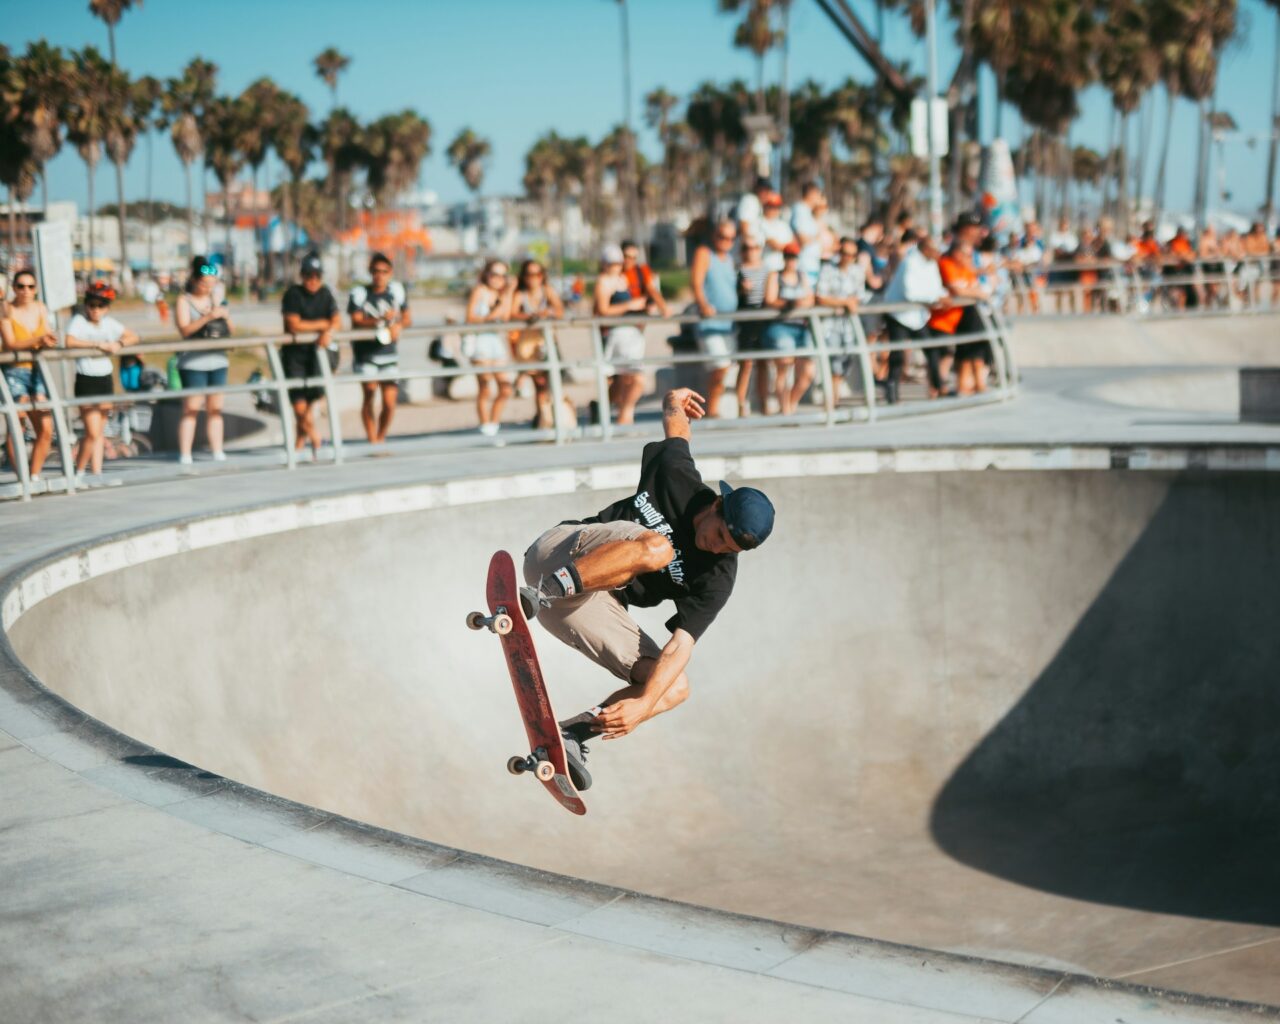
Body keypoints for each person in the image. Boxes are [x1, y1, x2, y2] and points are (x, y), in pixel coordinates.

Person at [519, 387, 775, 790]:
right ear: (715, 507)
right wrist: (674, 400)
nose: (718, 547)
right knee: (658, 548)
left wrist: (643, 705)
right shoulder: (680, 479)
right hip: (558, 555)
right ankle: (542, 592)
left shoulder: (719, 576)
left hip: (586, 605)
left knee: (672, 687)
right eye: (720, 535)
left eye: (731, 547)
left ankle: (568, 736)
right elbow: (677, 429)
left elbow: (681, 645)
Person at [64, 282, 138, 481]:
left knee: (100, 432)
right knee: (92, 432)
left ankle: (96, 473)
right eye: (92, 305)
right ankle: (79, 472)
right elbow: (69, 341)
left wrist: (118, 343)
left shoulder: (109, 323)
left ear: (107, 308)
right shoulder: (78, 321)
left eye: (101, 306)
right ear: (86, 305)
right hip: (86, 381)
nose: (96, 310)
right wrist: (97, 344)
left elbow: (133, 336)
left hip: (104, 380)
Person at [281, 252, 341, 460]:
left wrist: (327, 330)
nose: (313, 280)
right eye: (309, 275)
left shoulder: (325, 294)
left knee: (309, 406)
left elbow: (336, 320)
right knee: (298, 407)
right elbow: (294, 325)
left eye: (317, 275)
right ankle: (316, 440)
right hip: (294, 358)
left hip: (316, 358)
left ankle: (298, 447)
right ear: (302, 275)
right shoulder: (293, 295)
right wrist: (323, 325)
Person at [348, 252, 411, 445]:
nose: (380, 275)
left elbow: (408, 317)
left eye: (384, 271)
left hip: (388, 354)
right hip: (365, 354)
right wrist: (378, 321)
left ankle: (381, 436)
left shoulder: (396, 291)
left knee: (390, 402)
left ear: (390, 273)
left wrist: (398, 324)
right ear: (370, 272)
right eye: (376, 271)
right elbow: (356, 319)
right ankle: (372, 438)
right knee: (369, 394)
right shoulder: (360, 293)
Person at [1, 268, 58, 481]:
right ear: (14, 288)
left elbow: (46, 339)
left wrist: (48, 342)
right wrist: (39, 340)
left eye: (31, 286)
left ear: (36, 289)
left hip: (37, 371)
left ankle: (34, 475)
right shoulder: (6, 309)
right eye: (21, 286)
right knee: (17, 424)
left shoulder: (41, 308)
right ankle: (22, 477)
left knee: (45, 426)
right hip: (14, 371)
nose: (26, 291)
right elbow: (10, 344)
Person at [175, 256, 232, 465]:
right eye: (204, 283)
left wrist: (222, 314)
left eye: (212, 283)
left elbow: (231, 330)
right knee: (191, 408)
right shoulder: (184, 300)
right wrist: (207, 317)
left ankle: (218, 451)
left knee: (215, 408)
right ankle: (185, 454)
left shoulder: (216, 300)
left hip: (217, 360)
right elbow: (184, 329)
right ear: (195, 280)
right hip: (193, 363)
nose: (208, 287)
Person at [883, 230, 951, 401]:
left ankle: (938, 384)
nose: (938, 254)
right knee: (897, 354)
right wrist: (936, 297)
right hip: (899, 315)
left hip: (918, 317)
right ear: (926, 249)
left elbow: (935, 286)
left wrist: (942, 295)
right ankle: (892, 391)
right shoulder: (910, 263)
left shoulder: (931, 263)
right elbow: (910, 293)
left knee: (932, 350)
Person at [930, 213, 993, 396]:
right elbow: (957, 287)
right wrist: (979, 292)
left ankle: (969, 383)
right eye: (973, 228)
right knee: (950, 352)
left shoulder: (969, 254)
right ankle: (952, 386)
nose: (977, 232)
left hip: (964, 311)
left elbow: (972, 281)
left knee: (972, 347)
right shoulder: (949, 254)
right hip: (948, 314)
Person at [509, 258, 568, 429]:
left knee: (552, 382)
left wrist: (547, 312)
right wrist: (530, 317)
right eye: (529, 274)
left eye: (537, 274)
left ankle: (546, 418)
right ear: (524, 276)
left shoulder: (547, 290)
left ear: (542, 275)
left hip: (546, 342)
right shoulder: (520, 294)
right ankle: (544, 419)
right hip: (528, 343)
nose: (534, 278)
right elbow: (513, 314)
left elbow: (560, 311)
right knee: (540, 384)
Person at [594, 244, 650, 425]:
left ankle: (620, 416)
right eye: (611, 263)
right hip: (616, 336)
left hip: (630, 335)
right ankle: (623, 418)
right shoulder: (603, 281)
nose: (616, 266)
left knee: (626, 381)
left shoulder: (622, 279)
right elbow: (602, 310)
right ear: (604, 264)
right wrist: (630, 306)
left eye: (618, 262)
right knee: (635, 380)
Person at [689, 220, 739, 418]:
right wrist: (703, 304)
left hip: (728, 324)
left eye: (730, 238)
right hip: (710, 323)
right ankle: (712, 409)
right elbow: (696, 282)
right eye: (722, 236)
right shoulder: (704, 253)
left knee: (726, 367)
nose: (726, 241)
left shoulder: (729, 259)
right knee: (720, 365)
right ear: (714, 236)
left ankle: (715, 408)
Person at [762, 241, 815, 415]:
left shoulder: (802, 276)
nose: (791, 261)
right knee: (783, 368)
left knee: (808, 371)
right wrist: (791, 303)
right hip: (781, 327)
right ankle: (785, 410)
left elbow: (810, 299)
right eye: (788, 257)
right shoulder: (774, 276)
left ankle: (790, 404)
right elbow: (770, 300)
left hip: (801, 327)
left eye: (794, 257)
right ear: (784, 258)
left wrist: (800, 303)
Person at [815, 236, 867, 404]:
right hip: (831, 325)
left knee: (845, 361)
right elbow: (821, 297)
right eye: (845, 253)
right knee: (834, 362)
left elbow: (859, 296)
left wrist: (847, 302)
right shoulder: (828, 269)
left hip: (850, 327)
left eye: (852, 255)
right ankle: (832, 400)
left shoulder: (857, 271)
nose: (848, 257)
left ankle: (834, 398)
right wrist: (844, 302)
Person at [465, 259, 514, 436]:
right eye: (494, 274)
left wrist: (508, 293)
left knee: (506, 387)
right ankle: (485, 426)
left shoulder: (502, 295)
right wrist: (490, 318)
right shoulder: (480, 291)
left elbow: (506, 317)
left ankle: (494, 423)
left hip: (496, 342)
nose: (497, 279)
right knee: (485, 387)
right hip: (481, 343)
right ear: (486, 274)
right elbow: (469, 317)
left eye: (502, 276)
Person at [734, 236, 770, 416]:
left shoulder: (767, 270)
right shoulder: (738, 271)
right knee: (746, 363)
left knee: (763, 362)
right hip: (746, 319)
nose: (751, 251)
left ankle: (763, 402)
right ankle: (741, 404)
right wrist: (741, 289)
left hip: (763, 318)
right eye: (747, 248)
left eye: (755, 247)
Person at [790, 181, 826, 285]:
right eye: (818, 194)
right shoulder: (800, 210)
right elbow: (803, 239)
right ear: (811, 193)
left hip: (812, 265)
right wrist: (817, 237)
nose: (819, 198)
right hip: (804, 265)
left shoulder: (808, 212)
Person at [758, 191, 794, 273]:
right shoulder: (760, 222)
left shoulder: (783, 225)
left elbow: (793, 244)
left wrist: (787, 248)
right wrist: (787, 248)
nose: (774, 210)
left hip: (782, 269)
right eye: (771, 206)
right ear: (765, 206)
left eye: (777, 207)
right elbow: (775, 245)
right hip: (765, 269)